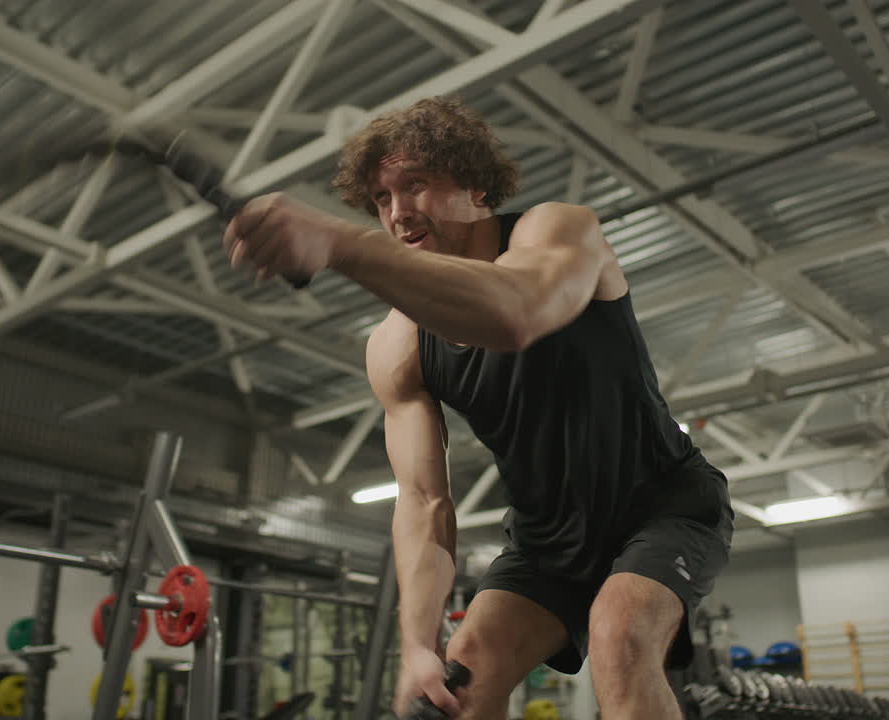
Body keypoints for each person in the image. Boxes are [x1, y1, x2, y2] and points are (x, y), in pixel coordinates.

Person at [223, 96, 734, 720]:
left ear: (473, 183)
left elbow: (515, 313)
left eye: (415, 185)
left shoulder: (558, 228)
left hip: (662, 505)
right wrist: (417, 645)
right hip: (546, 541)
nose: (398, 212)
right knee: (461, 681)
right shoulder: (397, 343)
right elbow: (423, 503)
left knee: (619, 635)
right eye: (381, 199)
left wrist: (338, 242)